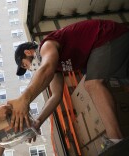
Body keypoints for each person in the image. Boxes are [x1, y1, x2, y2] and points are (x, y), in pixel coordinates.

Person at [8, 19, 129, 149]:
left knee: (92, 84)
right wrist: (37, 122)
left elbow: (46, 68)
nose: (29, 69)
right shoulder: (55, 68)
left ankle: (116, 140)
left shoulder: (46, 46)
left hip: (106, 36)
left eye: (25, 65)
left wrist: (24, 100)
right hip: (107, 47)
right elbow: (55, 96)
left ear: (28, 52)